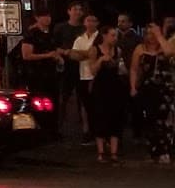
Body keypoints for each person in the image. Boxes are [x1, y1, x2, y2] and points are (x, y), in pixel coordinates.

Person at [131, 25, 175, 163]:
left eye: (153, 33)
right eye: (149, 33)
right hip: (147, 87)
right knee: (150, 119)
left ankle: (165, 151)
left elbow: (170, 52)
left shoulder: (166, 45)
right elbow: (134, 69)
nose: (151, 36)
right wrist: (133, 87)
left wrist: (160, 36)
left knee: (164, 120)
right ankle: (153, 150)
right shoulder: (140, 48)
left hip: (165, 88)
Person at [20, 9, 67, 135]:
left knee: (54, 100)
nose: (47, 19)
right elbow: (26, 55)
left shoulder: (51, 34)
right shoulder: (31, 35)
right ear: (37, 18)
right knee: (39, 100)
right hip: (36, 74)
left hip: (51, 74)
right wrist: (47, 55)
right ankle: (40, 128)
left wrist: (59, 55)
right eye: (44, 16)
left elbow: (54, 48)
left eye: (49, 16)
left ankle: (53, 129)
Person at [88, 27, 129, 164]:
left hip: (115, 87)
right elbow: (92, 70)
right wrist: (101, 60)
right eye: (112, 35)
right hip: (100, 87)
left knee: (115, 118)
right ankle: (100, 152)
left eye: (116, 36)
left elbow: (122, 70)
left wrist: (118, 65)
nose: (114, 38)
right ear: (104, 36)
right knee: (100, 117)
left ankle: (114, 152)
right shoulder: (95, 49)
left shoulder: (118, 50)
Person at [55, 3, 87, 136]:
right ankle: (59, 128)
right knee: (63, 97)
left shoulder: (84, 28)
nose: (78, 12)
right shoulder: (61, 28)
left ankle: (86, 129)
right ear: (69, 11)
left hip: (81, 66)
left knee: (84, 99)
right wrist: (64, 52)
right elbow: (53, 46)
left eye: (80, 10)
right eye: (75, 9)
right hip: (66, 67)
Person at [69, 12, 101, 144]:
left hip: (97, 75)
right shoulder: (80, 39)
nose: (91, 23)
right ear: (84, 23)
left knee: (97, 105)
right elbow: (73, 55)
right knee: (85, 105)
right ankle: (87, 130)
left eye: (93, 21)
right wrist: (88, 53)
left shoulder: (100, 37)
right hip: (83, 75)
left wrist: (83, 54)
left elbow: (98, 54)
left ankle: (98, 131)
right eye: (88, 20)